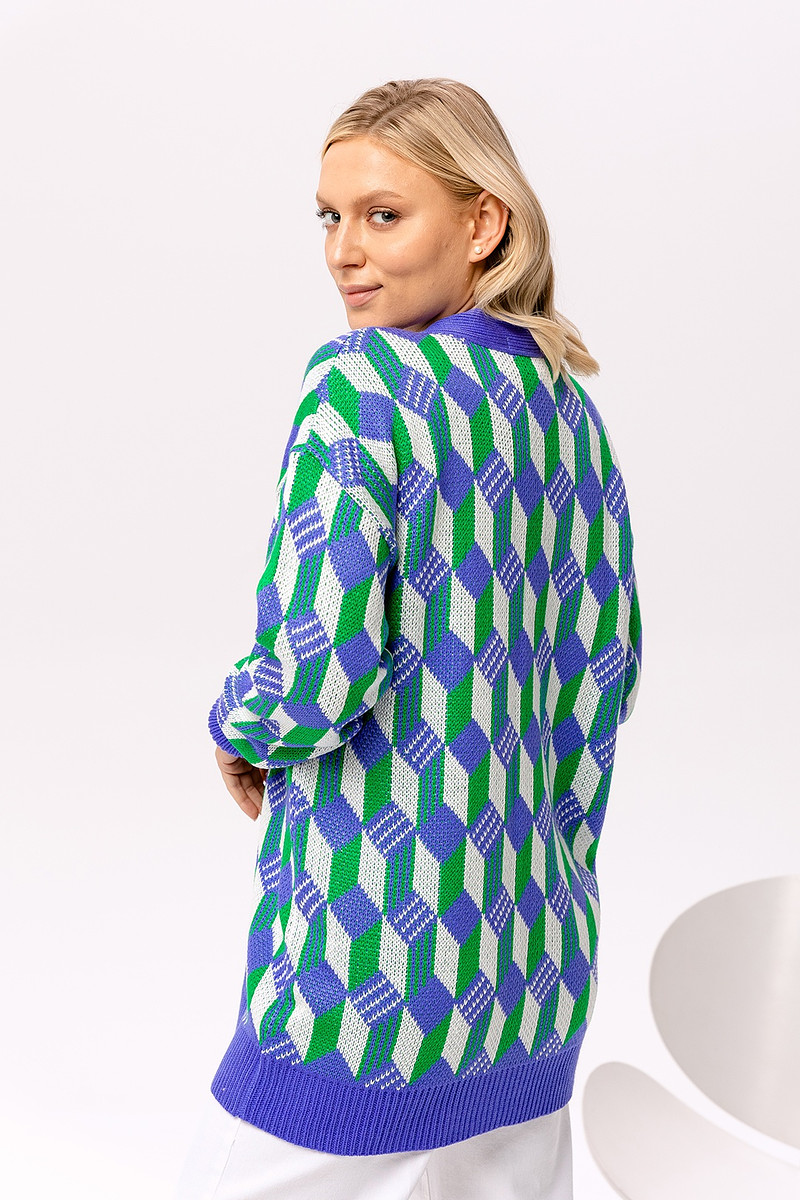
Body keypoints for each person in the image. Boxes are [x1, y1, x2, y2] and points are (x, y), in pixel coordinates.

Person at [174, 77, 642, 1200]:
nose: (344, 251)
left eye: (383, 215)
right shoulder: (567, 415)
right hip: (528, 967)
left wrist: (239, 725)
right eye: (329, 217)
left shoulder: (364, 388)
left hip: (364, 965)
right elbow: (606, 672)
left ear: (482, 223)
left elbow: (315, 665)